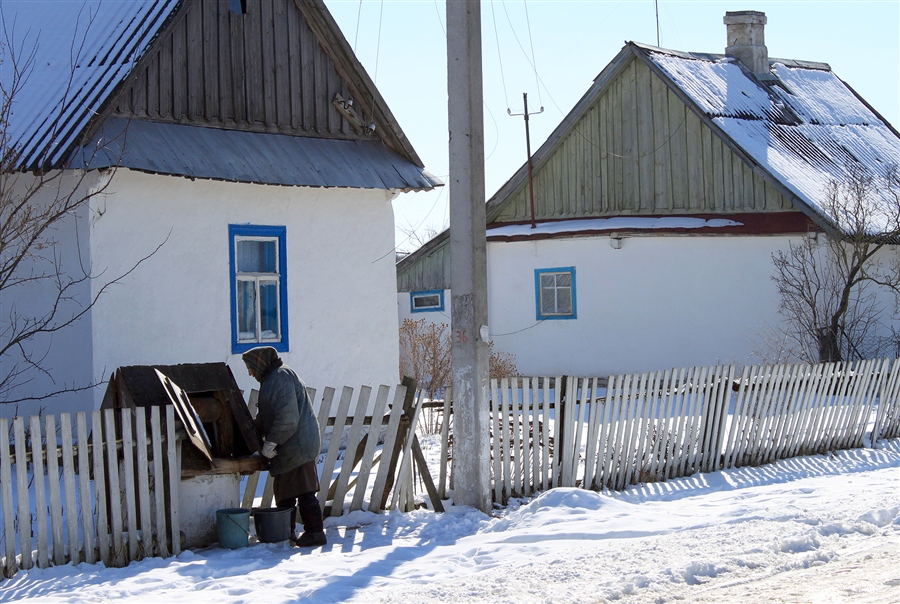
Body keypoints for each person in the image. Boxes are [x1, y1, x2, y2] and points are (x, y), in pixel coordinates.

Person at [242, 346, 326, 547]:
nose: (250, 373)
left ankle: (314, 533)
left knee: (304, 491)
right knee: (286, 492)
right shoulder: (271, 379)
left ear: (260, 364)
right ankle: (285, 532)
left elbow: (288, 419)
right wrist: (254, 429)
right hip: (291, 443)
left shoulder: (279, 378)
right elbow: (268, 414)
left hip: (297, 444)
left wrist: (271, 442)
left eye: (251, 368)